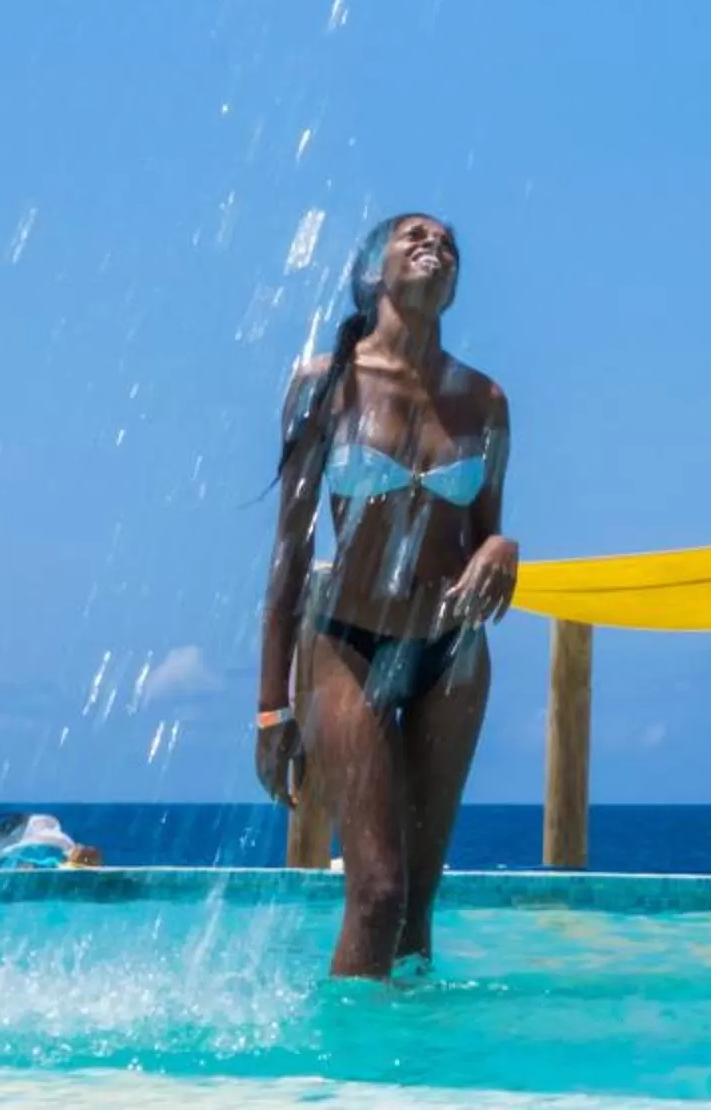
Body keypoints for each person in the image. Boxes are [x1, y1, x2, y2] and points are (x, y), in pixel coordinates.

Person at [255, 211, 517, 978]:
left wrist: (502, 549)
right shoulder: (323, 384)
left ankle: (412, 1076)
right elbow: (290, 553)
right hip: (347, 642)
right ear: (374, 271)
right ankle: (343, 1081)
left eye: (450, 244)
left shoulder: (487, 401)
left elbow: (485, 535)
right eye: (415, 236)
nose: (436, 246)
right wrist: (273, 707)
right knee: (376, 891)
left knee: (419, 898)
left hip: (453, 654)